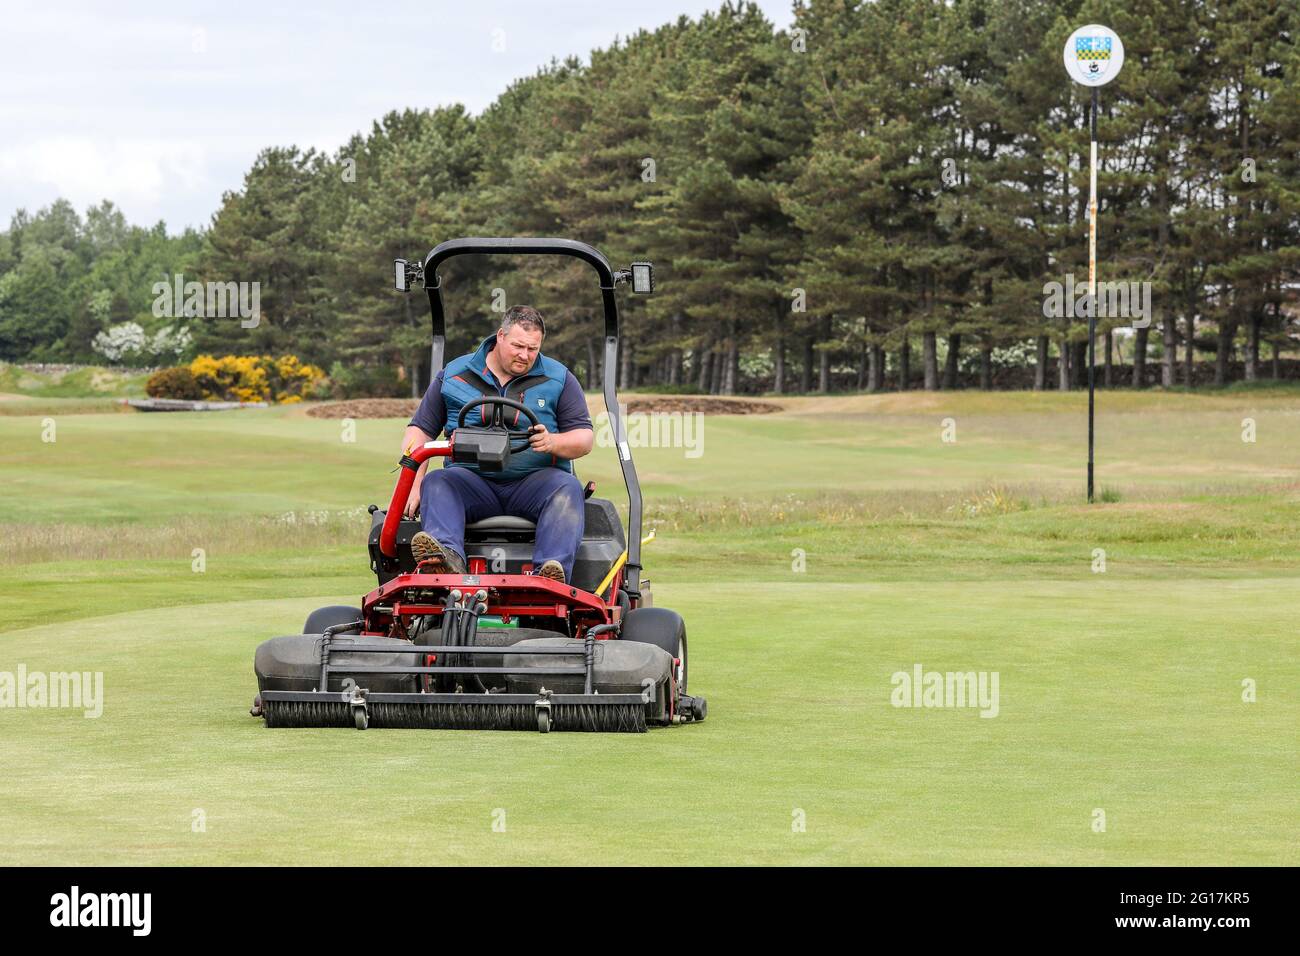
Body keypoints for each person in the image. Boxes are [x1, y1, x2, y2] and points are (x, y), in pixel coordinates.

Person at [400, 305, 594, 582]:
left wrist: (553, 442)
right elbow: (420, 430)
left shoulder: (559, 378)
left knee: (567, 488)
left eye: (532, 349)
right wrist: (414, 481)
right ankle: (446, 559)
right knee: (437, 482)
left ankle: (549, 577)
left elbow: (583, 438)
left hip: (536, 484)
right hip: (471, 481)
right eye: (518, 346)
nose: (524, 355)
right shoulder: (454, 374)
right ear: (500, 336)